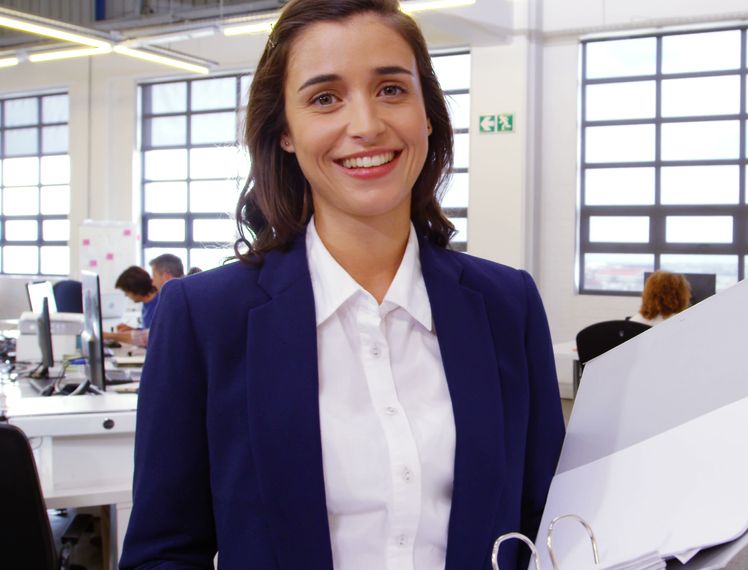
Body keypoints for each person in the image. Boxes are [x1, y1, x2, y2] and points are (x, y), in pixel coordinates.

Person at [120, 2, 565, 569]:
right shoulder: (205, 318)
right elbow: (164, 554)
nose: (366, 125)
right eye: (325, 98)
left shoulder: (509, 306)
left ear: (427, 114)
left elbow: (549, 525)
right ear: (284, 131)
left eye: (392, 90)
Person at [103, 266, 157, 347]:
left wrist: (109, 335)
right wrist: (133, 330)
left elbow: (153, 337)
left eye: (126, 291)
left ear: (136, 289)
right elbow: (148, 332)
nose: (125, 295)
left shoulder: (159, 305)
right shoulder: (146, 304)